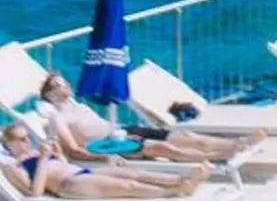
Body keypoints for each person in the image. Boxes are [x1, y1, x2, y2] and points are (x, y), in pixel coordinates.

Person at [37, 69, 261, 167]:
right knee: (166, 149)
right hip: (112, 146)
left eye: (64, 82)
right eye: (58, 85)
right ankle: (217, 156)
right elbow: (73, 150)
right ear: (49, 95)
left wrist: (125, 134)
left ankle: (237, 143)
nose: (65, 86)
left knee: (183, 135)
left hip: (125, 132)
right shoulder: (57, 117)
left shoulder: (79, 107)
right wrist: (105, 157)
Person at [2, 120, 208, 201]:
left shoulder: (36, 153)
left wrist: (58, 154)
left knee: (135, 173)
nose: (27, 141)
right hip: (70, 184)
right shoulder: (13, 166)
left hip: (80, 172)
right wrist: (45, 158)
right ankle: (179, 189)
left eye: (27, 137)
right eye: (21, 139)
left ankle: (182, 180)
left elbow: (62, 165)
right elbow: (35, 192)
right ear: (9, 143)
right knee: (129, 186)